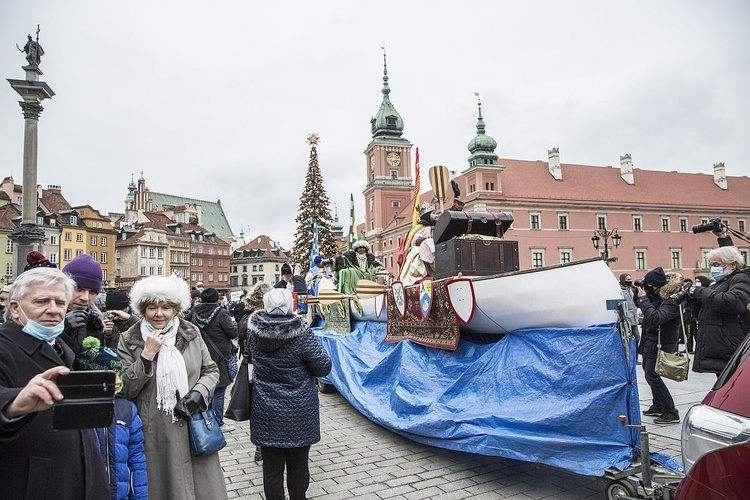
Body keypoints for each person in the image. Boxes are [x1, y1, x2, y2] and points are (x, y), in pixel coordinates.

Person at [0, 267, 110, 498]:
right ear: (14, 308)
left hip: (77, 478)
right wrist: (14, 404)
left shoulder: (62, 348)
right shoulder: (4, 347)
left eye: (60, 303)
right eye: (41, 302)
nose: (53, 310)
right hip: (31, 483)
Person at [117, 276, 227, 500]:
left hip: (193, 426)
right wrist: (146, 357)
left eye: (166, 307)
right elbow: (124, 388)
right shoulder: (129, 339)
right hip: (155, 432)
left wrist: (198, 394)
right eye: (152, 307)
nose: (159, 314)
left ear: (176, 309)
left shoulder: (190, 332)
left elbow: (211, 370)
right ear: (142, 309)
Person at [247, 288, 332, 500]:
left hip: (265, 408)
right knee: (298, 465)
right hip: (298, 409)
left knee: (271, 468)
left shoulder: (253, 331)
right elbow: (323, 367)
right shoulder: (302, 333)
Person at [75, 336, 148, 500]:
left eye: (119, 374)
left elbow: (136, 459)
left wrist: (139, 497)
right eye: (109, 375)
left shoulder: (127, 409)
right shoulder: (76, 412)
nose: (117, 381)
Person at [687, 246, 750, 375]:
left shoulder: (741, 279)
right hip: (719, 348)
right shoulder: (718, 283)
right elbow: (706, 313)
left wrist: (701, 292)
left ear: (732, 265)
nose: (713, 269)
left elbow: (733, 302)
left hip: (730, 348)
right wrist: (694, 301)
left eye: (716, 264)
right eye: (711, 265)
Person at [185, 287, 239, 432]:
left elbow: (184, 325)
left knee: (205, 388)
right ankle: (218, 422)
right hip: (220, 356)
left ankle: (205, 418)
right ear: (216, 299)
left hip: (200, 355)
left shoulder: (195, 312)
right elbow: (233, 332)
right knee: (219, 391)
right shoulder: (221, 313)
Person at [635, 267, 683, 424]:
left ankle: (671, 411)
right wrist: (641, 296)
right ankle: (658, 404)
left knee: (653, 377)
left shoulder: (670, 301)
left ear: (655, 285)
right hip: (651, 342)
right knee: (649, 374)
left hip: (660, 344)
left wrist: (643, 300)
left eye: (648, 284)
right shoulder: (656, 296)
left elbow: (656, 318)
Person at [238, 281, 273, 463]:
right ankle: (265, 446)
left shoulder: (248, 313)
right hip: (269, 367)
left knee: (259, 409)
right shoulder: (265, 317)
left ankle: (260, 445)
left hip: (256, 366)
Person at [59, 254, 109, 354]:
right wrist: (62, 330)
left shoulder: (96, 321)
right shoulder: (44, 318)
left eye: (92, 292)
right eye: (79, 289)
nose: (85, 298)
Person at [398, 204, 440, 286]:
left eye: (436, 213)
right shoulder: (420, 228)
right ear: (427, 215)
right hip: (422, 251)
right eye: (433, 213)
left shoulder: (439, 226)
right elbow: (415, 241)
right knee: (416, 251)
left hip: (438, 251)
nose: (436, 215)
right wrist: (428, 240)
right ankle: (420, 275)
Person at [618, 273, 640, 356]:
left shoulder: (630, 289)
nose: (630, 281)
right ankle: (629, 357)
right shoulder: (620, 290)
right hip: (626, 319)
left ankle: (635, 358)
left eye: (630, 279)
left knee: (637, 338)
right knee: (628, 340)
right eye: (628, 280)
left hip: (634, 318)